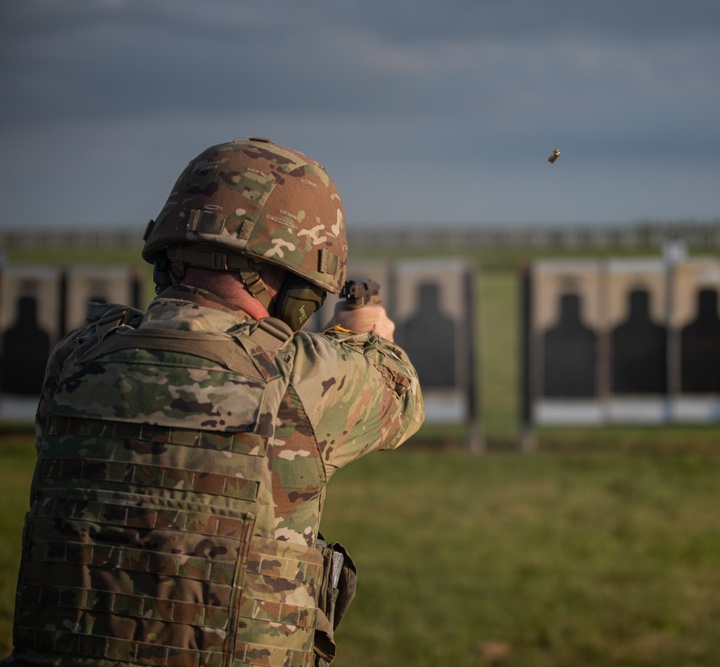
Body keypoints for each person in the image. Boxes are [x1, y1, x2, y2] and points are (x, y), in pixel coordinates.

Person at [3, 138, 424, 666]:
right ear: (300, 288)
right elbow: (400, 390)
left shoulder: (76, 359)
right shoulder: (297, 378)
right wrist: (365, 333)